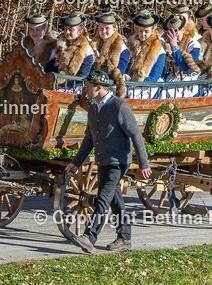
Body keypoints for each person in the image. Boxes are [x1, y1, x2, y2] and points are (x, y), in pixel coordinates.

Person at [65, 69, 152, 254]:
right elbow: (89, 139)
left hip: (118, 161)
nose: (84, 89)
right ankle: (124, 238)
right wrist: (76, 162)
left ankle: (90, 237)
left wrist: (144, 164)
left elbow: (136, 135)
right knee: (115, 200)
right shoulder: (94, 108)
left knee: (103, 199)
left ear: (98, 87)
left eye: (87, 86)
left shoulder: (119, 107)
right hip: (103, 159)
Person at [126, 11, 166, 97]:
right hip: (130, 82)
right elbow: (127, 65)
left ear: (152, 31)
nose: (143, 34)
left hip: (147, 86)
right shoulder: (132, 45)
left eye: (146, 31)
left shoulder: (160, 51)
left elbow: (155, 75)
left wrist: (141, 84)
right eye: (140, 31)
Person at [92, 11, 130, 95]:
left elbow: (121, 71)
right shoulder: (95, 44)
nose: (103, 31)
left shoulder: (122, 48)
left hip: (112, 87)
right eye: (101, 29)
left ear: (114, 29)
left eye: (107, 28)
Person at [52, 13, 94, 78]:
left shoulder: (87, 51)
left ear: (79, 31)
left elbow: (83, 76)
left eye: (71, 30)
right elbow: (52, 67)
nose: (67, 32)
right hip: (56, 82)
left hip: (76, 85)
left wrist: (62, 85)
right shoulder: (60, 45)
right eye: (65, 29)